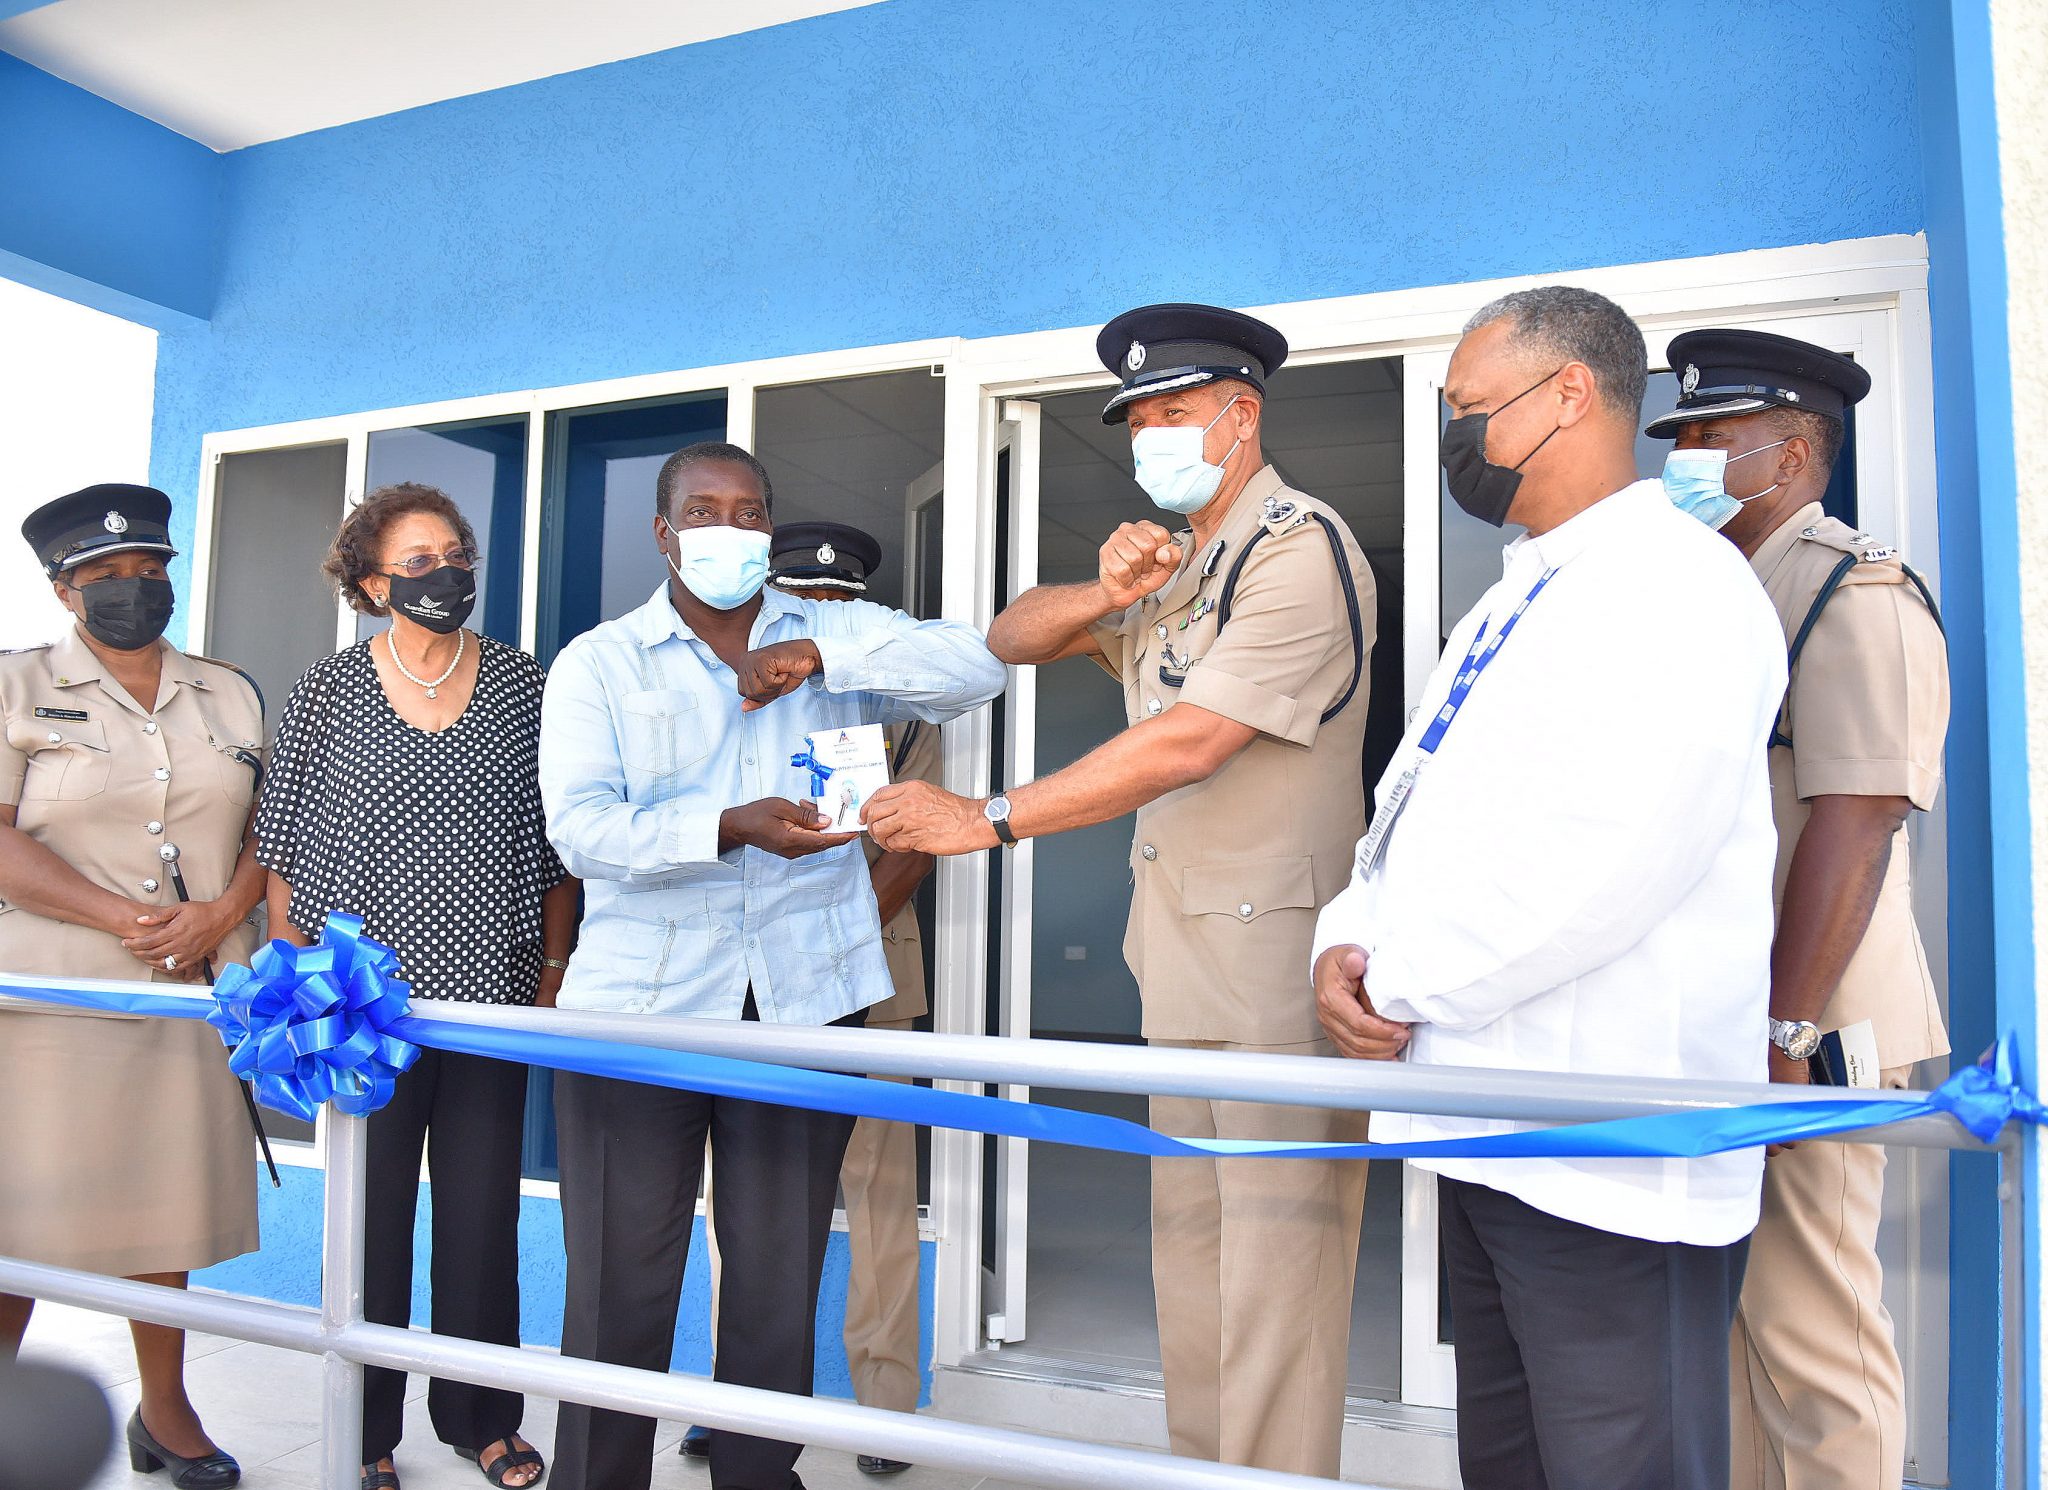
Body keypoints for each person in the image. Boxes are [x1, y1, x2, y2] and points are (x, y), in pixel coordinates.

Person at [865, 305, 1376, 1478]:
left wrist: (984, 817)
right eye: (1138, 417)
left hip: (1272, 964)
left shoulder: (1298, 546)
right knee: (1192, 1260)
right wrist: (1100, 593)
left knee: (1275, 1272)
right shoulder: (1182, 560)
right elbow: (1008, 635)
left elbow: (1190, 741)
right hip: (1182, 954)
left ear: (1240, 416)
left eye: (1173, 411)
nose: (1150, 434)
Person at [1309, 287, 1786, 1490]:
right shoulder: (1512, 592)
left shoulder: (1674, 583)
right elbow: (1402, 808)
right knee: (1511, 1462)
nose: (1455, 437)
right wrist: (1345, 939)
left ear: (1566, 393)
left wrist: (1401, 981)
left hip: (1607, 1159)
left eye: (1469, 409)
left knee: (1617, 1465)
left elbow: (1607, 860)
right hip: (1486, 1125)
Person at [539, 443, 1002, 1490]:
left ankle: (757, 1470)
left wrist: (826, 663)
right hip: (641, 1014)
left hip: (802, 999)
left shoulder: (831, 629)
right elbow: (580, 831)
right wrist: (724, 825)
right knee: (622, 1278)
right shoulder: (599, 662)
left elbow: (972, 668)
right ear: (662, 533)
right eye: (702, 511)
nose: (728, 529)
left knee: (775, 1273)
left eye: (748, 513)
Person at [1649, 328, 1950, 1490]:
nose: (1683, 461)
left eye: (1709, 440)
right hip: (1733, 1019)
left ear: (1789, 452)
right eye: (1679, 439)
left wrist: (1781, 1033)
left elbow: (1856, 817)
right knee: (1738, 1327)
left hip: (1808, 1028)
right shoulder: (1719, 593)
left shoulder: (1849, 586)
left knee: (1811, 1329)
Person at [254, 483, 576, 1490]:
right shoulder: (326, 691)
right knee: (371, 1222)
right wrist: (296, 979)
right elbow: (282, 851)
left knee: (482, 1221)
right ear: (369, 579)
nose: (445, 573)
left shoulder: (524, 684)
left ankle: (482, 1418)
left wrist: (551, 974)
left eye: (455, 552)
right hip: (361, 1010)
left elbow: (557, 848)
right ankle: (365, 1426)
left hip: (490, 996)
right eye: (419, 558)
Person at [0, 483, 267, 1489]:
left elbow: (263, 835)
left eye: (148, 569)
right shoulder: (17, 685)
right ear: (62, 588)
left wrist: (214, 914)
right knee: (17, 1217)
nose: (130, 587)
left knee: (162, 1216)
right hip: (50, 997)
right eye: (103, 575)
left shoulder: (229, 690)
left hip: (190, 989)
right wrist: (125, 919)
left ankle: (166, 1408)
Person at [679, 522, 940, 1477]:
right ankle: (731, 1401)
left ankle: (884, 1405)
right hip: (743, 982)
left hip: (871, 971)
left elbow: (911, 843)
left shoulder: (902, 704)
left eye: (841, 608)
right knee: (739, 1201)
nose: (820, 622)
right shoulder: (735, 699)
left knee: (877, 1197)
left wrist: (835, 946)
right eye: (806, 603)